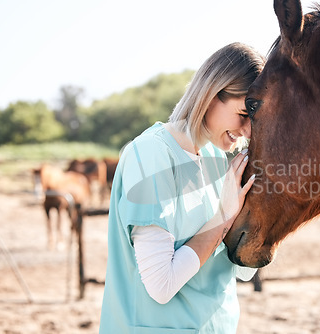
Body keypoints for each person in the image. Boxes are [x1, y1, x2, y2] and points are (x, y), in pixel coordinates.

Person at [99, 42, 265, 333]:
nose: (248, 131)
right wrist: (224, 217)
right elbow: (162, 285)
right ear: (213, 94)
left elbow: (241, 271)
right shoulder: (151, 155)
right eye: (243, 114)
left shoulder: (216, 159)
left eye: (255, 119)